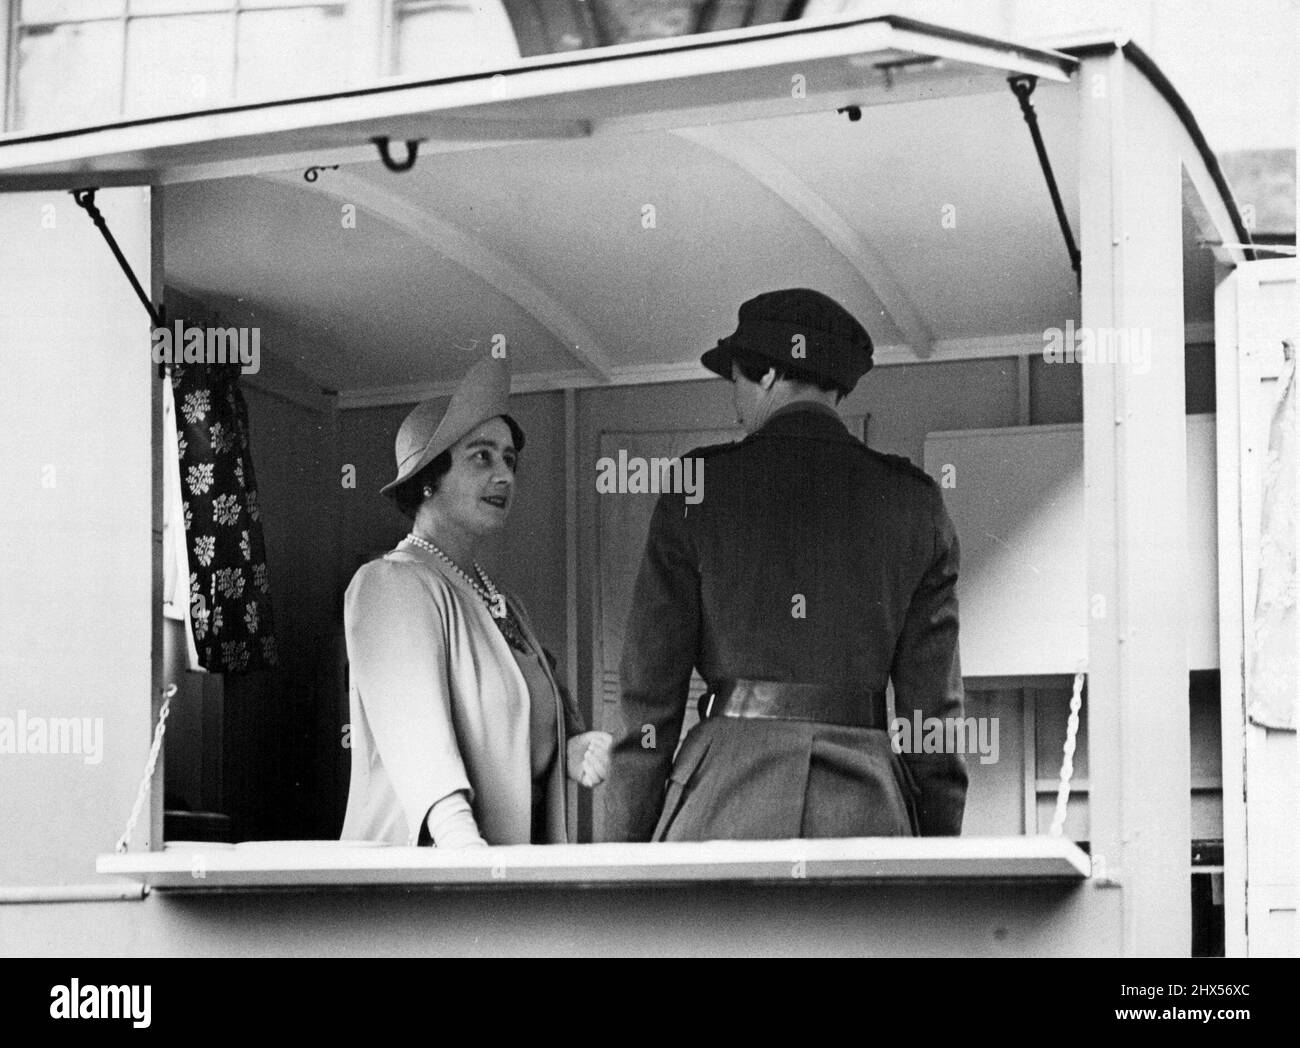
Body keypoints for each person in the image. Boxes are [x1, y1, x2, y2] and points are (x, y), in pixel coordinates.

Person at [605, 288, 967, 842]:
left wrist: (621, 855)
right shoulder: (915, 501)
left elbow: (648, 701)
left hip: (722, 800)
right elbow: (932, 720)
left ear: (769, 375)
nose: (735, 399)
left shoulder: (694, 487)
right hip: (867, 806)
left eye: (737, 380)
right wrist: (937, 850)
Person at [342, 357, 611, 847]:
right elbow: (418, 743)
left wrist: (567, 749)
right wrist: (469, 855)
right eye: (482, 457)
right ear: (428, 479)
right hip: (436, 876)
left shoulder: (500, 600)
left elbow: (521, 720)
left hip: (500, 868)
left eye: (509, 459)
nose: (505, 475)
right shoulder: (391, 584)